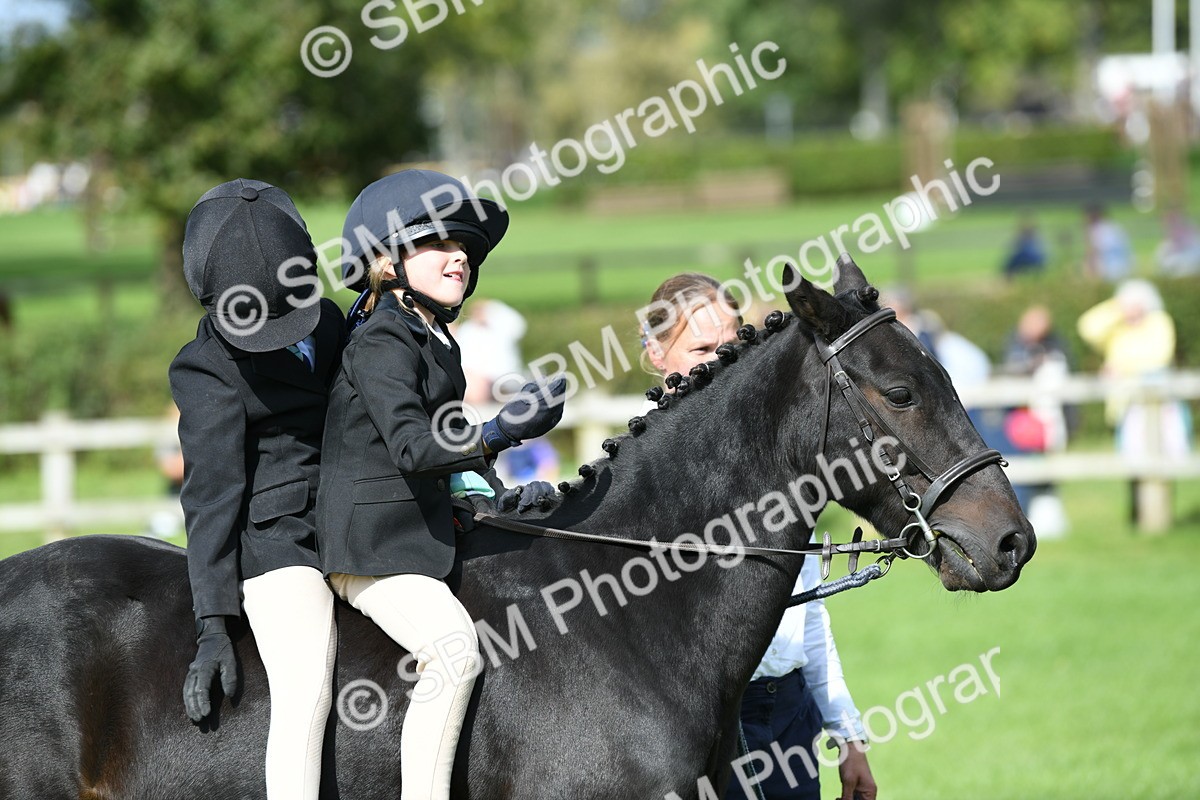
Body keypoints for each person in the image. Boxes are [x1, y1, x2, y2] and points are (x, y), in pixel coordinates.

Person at [316, 169, 566, 800]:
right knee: (454, 651)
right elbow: (413, 447)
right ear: (385, 260)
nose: (458, 256)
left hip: (418, 533)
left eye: (465, 249)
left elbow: (452, 458)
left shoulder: (436, 339)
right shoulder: (379, 340)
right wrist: (504, 429)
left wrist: (500, 496)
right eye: (436, 243)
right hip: (369, 546)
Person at [640, 273, 876, 800]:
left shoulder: (781, 460)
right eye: (701, 347)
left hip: (792, 715)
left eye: (731, 344)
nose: (721, 360)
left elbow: (808, 617)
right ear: (656, 353)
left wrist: (848, 734)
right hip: (704, 719)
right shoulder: (643, 477)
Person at [169, 179, 345, 799]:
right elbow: (210, 495)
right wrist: (213, 621)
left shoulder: (329, 323)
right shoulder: (204, 368)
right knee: (305, 688)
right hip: (280, 545)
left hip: (359, 517)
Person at [1083, 204, 1133, 282]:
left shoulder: (1097, 229)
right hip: (1124, 269)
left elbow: (1093, 253)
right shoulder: (1115, 227)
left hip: (1109, 272)